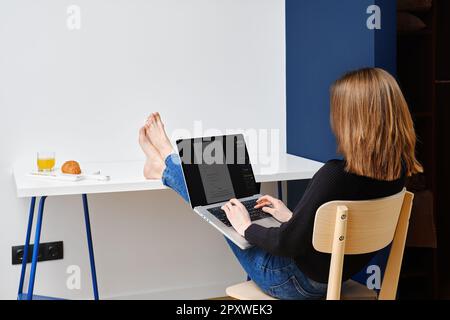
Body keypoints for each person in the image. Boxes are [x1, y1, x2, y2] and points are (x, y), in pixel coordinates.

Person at [138, 68, 423, 300]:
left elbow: (286, 243)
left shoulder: (335, 174)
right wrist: (289, 216)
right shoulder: (397, 175)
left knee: (221, 204)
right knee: (231, 203)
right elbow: (331, 232)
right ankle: (165, 165)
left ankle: (166, 160)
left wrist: (245, 227)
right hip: (334, 278)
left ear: (352, 120)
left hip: (289, 280)